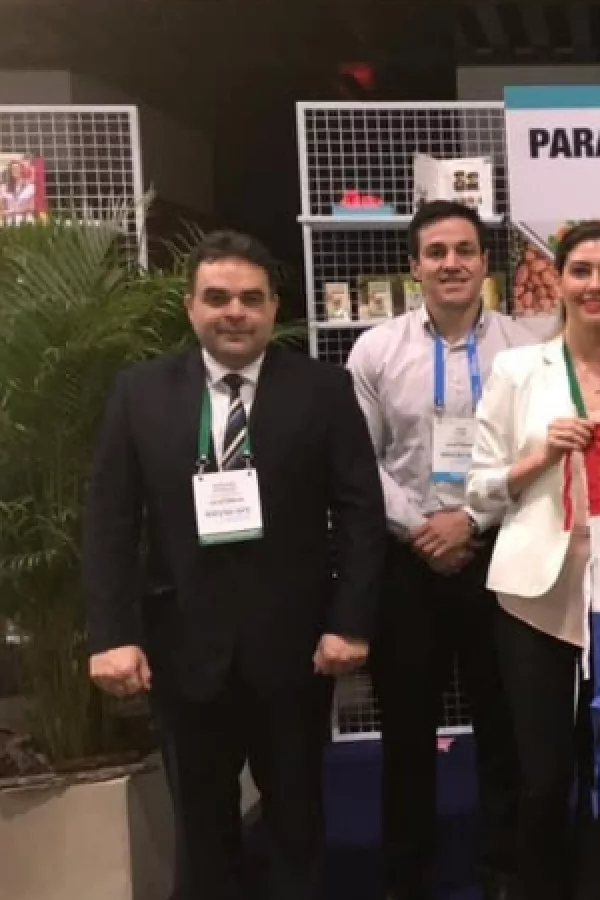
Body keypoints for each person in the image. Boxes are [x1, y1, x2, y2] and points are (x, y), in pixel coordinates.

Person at [82, 229, 387, 900]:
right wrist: (111, 634)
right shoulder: (140, 394)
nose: (235, 312)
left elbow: (361, 514)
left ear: (274, 307)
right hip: (182, 650)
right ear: (190, 306)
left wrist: (351, 623)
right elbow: (109, 521)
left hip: (297, 652)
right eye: (217, 297)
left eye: (251, 298)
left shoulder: (323, 390)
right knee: (202, 833)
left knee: (298, 827)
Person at [344, 200, 528, 900]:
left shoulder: (525, 348)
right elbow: (359, 460)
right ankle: (408, 877)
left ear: (485, 263)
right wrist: (423, 527)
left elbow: (532, 457)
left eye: (465, 250)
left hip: (499, 555)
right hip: (408, 561)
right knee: (407, 729)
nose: (452, 263)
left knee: (504, 722)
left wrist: (471, 521)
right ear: (414, 266)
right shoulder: (376, 350)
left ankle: (505, 871)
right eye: (437, 252)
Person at [467, 220, 600, 900]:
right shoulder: (519, 370)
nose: (595, 285)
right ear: (560, 281)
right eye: (582, 271)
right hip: (533, 596)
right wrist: (542, 456)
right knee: (542, 776)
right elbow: (479, 490)